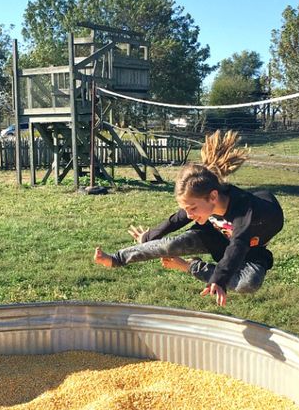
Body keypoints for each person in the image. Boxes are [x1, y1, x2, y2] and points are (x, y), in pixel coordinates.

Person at [94, 130, 284, 307]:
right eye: (186, 208)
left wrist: (218, 279)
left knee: (248, 284)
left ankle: (189, 266)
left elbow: (239, 245)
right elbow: (176, 219)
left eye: (192, 208)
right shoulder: (203, 200)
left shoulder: (244, 211)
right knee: (170, 245)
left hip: (251, 249)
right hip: (217, 236)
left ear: (213, 197)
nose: (190, 214)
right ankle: (117, 259)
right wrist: (148, 236)